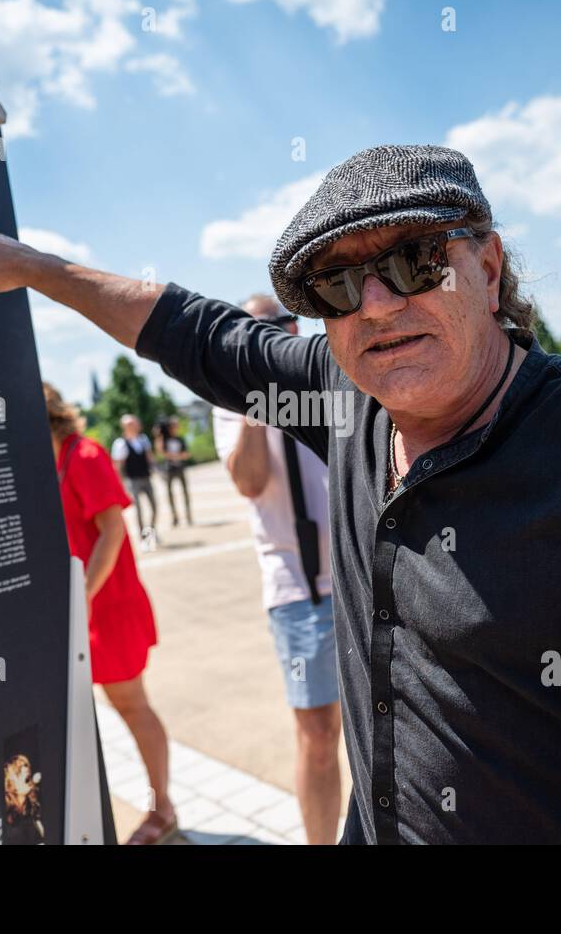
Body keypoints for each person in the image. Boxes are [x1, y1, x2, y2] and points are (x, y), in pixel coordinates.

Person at [0, 144, 561, 844]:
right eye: (338, 285)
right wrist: (32, 267)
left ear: (490, 267)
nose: (378, 304)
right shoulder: (344, 397)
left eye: (417, 261)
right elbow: (191, 331)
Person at [214, 294, 342, 844]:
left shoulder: (326, 380)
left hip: (363, 576)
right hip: (297, 590)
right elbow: (248, 480)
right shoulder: (227, 400)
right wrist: (250, 401)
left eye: (282, 323)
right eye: (256, 329)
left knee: (392, 727)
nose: (272, 335)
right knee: (317, 734)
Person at [44, 384, 176, 844]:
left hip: (109, 608)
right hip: (83, 610)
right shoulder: (51, 462)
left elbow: (113, 529)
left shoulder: (83, 455)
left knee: (132, 706)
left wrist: (83, 593)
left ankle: (163, 808)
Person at [111, 414, 158, 546]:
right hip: (133, 480)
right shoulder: (120, 444)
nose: (135, 425)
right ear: (125, 426)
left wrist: (157, 470)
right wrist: (120, 484)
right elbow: (118, 466)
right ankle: (145, 538)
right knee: (139, 510)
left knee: (154, 507)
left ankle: (151, 531)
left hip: (146, 477)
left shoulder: (143, 439)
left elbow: (150, 457)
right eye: (131, 424)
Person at [154, 416, 193, 527]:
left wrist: (175, 456)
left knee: (185, 493)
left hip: (180, 468)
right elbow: (161, 451)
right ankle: (175, 517)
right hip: (169, 469)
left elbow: (187, 454)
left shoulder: (180, 439)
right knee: (170, 494)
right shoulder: (164, 440)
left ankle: (188, 515)